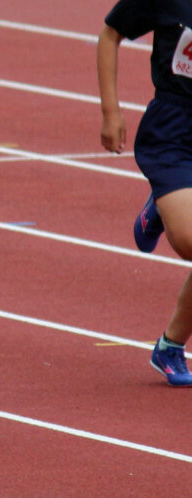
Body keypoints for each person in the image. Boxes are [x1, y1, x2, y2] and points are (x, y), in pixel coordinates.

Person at [98, 0, 192, 386]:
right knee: (189, 241)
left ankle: (170, 345)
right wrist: (111, 111)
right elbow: (109, 35)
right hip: (173, 133)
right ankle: (167, 201)